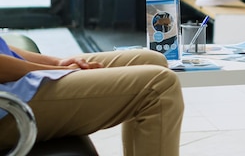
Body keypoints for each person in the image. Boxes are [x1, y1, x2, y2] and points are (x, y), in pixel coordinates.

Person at [0, 37, 184, 156]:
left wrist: (57, 62)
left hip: (13, 84)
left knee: (151, 60)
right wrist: (60, 70)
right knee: (159, 87)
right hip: (8, 105)